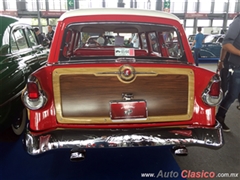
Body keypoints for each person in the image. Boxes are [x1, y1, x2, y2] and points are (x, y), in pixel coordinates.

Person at [216, 14, 240, 132]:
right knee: (232, 94)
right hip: (236, 66)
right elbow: (225, 45)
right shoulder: (238, 22)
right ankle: (219, 117)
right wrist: (221, 61)